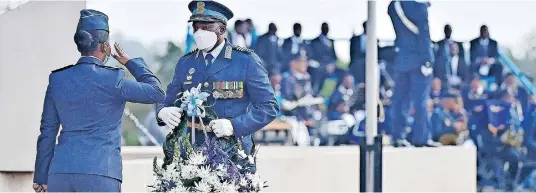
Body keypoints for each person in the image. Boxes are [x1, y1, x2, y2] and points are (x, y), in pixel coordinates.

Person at [32, 9, 166, 192]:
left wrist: (41, 176)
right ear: (105, 47)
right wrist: (130, 62)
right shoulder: (114, 80)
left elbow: (47, 132)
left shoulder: (57, 79)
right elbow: (157, 92)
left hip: (60, 174)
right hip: (101, 174)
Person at [156, 0, 279, 165]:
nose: (199, 32)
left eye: (206, 27)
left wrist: (235, 126)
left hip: (232, 153)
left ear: (221, 29)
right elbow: (168, 98)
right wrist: (162, 111)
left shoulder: (245, 61)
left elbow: (269, 107)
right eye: (196, 27)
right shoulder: (186, 63)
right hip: (192, 155)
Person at [388, 0, 435, 147]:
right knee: (421, 101)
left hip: (402, 58)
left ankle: (398, 136)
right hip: (419, 60)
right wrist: (428, 60)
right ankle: (422, 137)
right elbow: (424, 35)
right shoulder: (420, 7)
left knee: (401, 100)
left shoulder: (393, 6)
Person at [309, 22, 338, 94]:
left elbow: (334, 56)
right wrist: (321, 64)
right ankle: (316, 93)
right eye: (325, 28)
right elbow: (311, 56)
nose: (326, 30)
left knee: (343, 72)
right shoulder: (314, 41)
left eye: (327, 28)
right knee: (320, 71)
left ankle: (336, 94)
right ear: (321, 29)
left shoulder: (331, 41)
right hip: (319, 66)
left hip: (330, 66)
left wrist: (332, 65)